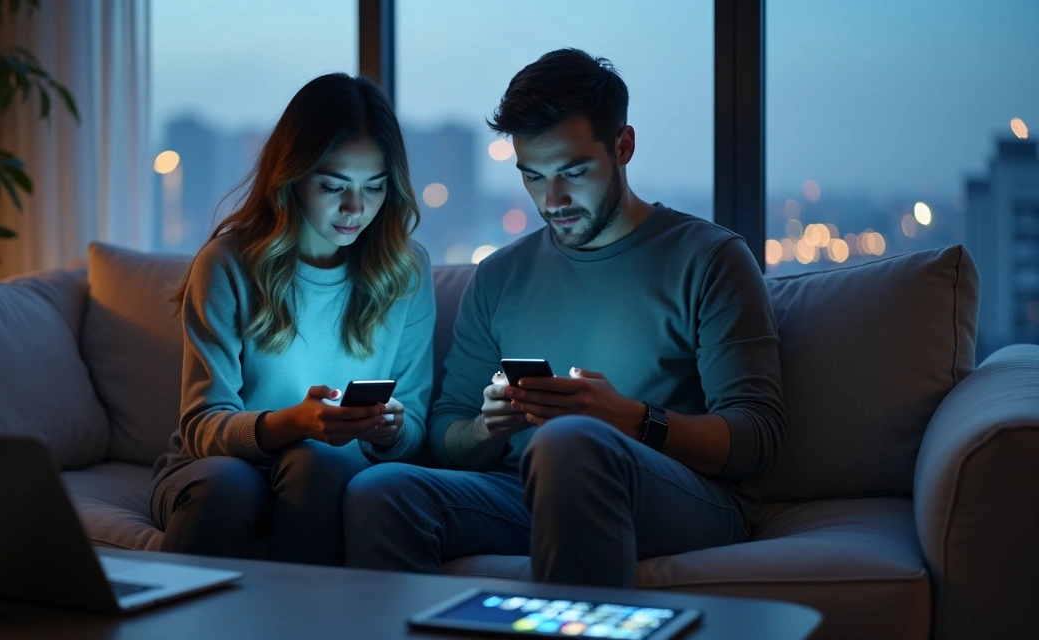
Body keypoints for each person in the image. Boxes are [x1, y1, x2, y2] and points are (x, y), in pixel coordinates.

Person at [343, 49, 785, 587]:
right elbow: (444, 434)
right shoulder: (501, 276)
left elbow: (758, 438)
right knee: (381, 490)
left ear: (622, 146)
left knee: (571, 442)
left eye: (573, 171)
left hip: (683, 495)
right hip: (523, 493)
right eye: (533, 177)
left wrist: (631, 418)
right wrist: (487, 428)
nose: (553, 200)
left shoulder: (710, 258)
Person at [150, 73, 435, 566]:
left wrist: (388, 430)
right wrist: (293, 422)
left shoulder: (406, 272)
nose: (355, 207)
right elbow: (202, 424)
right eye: (333, 186)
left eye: (374, 187)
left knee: (317, 462)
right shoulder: (227, 264)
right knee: (228, 486)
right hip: (216, 470)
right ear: (292, 177)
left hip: (326, 473)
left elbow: (413, 426)